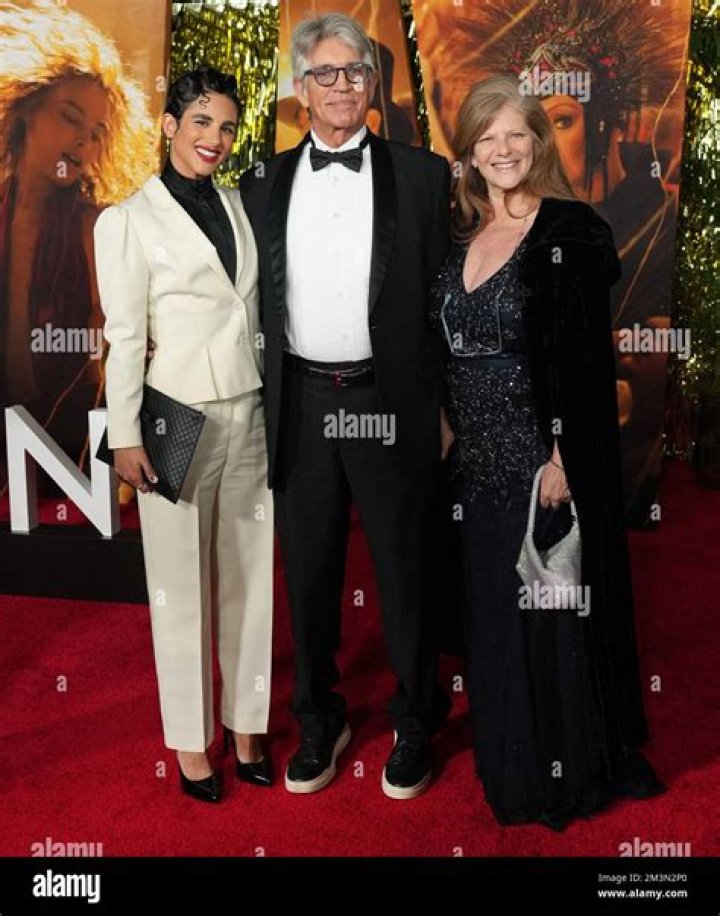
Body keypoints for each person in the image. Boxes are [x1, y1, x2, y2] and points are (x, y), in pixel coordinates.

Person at [431, 74, 664, 829]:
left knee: (548, 611)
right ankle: (512, 758)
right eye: (486, 137)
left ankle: (560, 771)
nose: (501, 150)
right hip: (474, 460)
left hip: (538, 455)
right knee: (494, 615)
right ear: (468, 152)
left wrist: (564, 456)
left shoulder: (569, 232)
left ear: (537, 144)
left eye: (515, 135)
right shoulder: (457, 236)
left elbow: (586, 362)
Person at [240, 13, 450, 799]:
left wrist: (446, 408)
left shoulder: (424, 177)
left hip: (387, 400)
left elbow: (446, 301)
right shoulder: (261, 183)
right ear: (301, 89)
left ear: (372, 83)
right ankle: (318, 719)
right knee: (310, 574)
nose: (340, 86)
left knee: (405, 570)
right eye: (323, 73)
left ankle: (417, 719)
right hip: (300, 401)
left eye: (354, 72)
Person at [94, 67, 274, 803]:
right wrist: (126, 435)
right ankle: (191, 743)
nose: (215, 139)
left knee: (252, 577)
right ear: (170, 125)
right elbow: (123, 334)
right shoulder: (126, 220)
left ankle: (247, 726)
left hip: (250, 408)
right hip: (175, 417)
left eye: (227, 127)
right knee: (179, 585)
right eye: (201, 122)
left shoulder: (238, 204)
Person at [0, 0, 155, 493]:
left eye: (97, 133)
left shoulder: (97, 227)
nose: (84, 144)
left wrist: (112, 467)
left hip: (62, 449)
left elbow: (103, 366)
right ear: (27, 107)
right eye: (70, 118)